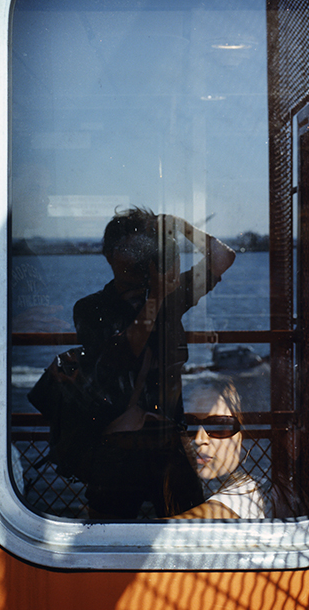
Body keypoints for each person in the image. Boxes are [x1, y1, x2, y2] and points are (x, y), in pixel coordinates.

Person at [73, 207, 236, 519]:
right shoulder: (91, 308)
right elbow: (125, 354)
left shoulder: (170, 295)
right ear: (108, 255)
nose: (138, 259)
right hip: (116, 447)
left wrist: (185, 228)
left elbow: (222, 258)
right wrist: (156, 298)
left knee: (188, 532)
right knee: (107, 534)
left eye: (144, 249)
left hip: (169, 441)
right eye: (129, 249)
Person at [177, 375, 265, 519]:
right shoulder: (192, 488)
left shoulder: (247, 495)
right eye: (189, 424)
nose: (199, 439)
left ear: (245, 438)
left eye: (218, 426)